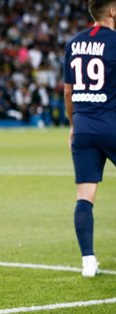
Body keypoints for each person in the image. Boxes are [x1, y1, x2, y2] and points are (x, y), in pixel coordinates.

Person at [63, 0, 116, 277]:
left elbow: (68, 91)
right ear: (112, 11)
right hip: (112, 124)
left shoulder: (73, 43)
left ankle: (88, 261)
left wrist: (73, 125)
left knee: (84, 197)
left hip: (83, 127)